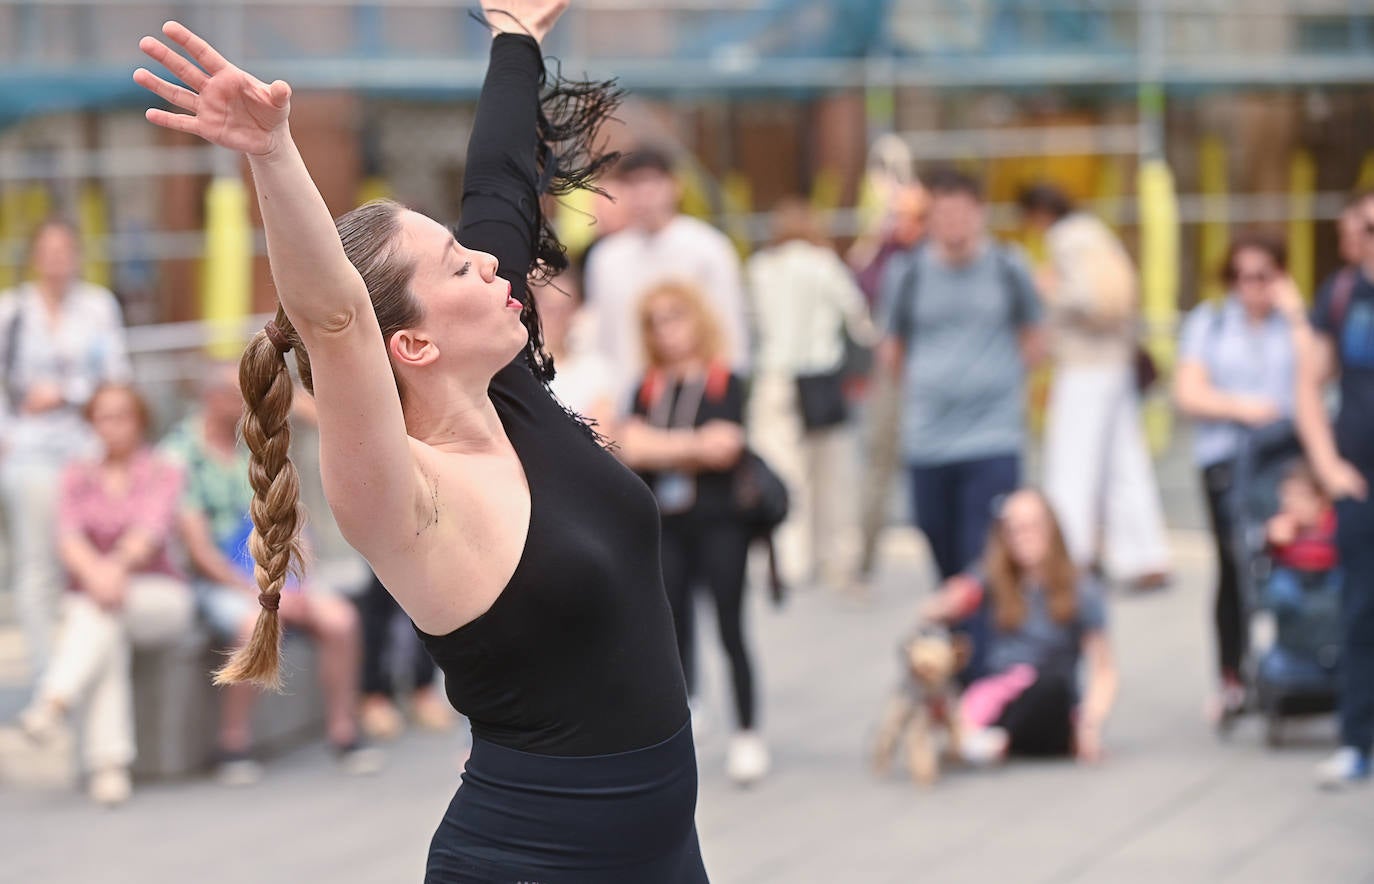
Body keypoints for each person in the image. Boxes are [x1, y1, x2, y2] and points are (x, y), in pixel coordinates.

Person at [134, 6, 709, 880]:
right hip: (530, 861)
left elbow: (499, 185)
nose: (488, 262)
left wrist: (515, 35)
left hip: (664, 850)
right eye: (457, 265)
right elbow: (333, 318)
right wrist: (272, 152)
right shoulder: (402, 496)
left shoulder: (512, 395)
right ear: (410, 345)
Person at [159, 362, 377, 782]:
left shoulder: (257, 443)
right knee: (253, 624)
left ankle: (343, 731)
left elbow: (293, 518)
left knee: (342, 620)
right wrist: (261, 592)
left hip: (276, 573)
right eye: (241, 393)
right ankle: (232, 743)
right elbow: (199, 549)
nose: (249, 402)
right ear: (213, 398)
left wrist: (294, 581)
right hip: (220, 580)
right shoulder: (178, 455)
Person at [876, 168, 1044, 677]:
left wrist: (999, 381)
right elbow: (892, 349)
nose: (952, 223)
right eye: (941, 213)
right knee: (945, 558)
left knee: (983, 557)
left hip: (992, 436)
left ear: (980, 212)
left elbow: (1034, 337)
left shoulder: (1008, 267)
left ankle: (984, 678)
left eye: (961, 211)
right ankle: (956, 664)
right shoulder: (909, 273)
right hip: (929, 440)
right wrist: (932, 387)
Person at [615, 280, 766, 785]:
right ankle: (687, 718)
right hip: (667, 525)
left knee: (730, 625)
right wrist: (693, 445)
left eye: (676, 316)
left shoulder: (726, 381)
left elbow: (727, 446)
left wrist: (664, 446)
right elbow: (630, 448)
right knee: (672, 626)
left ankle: (747, 731)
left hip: (722, 523)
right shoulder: (648, 386)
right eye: (656, 321)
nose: (668, 330)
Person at [16, 383, 192, 806]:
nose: (111, 427)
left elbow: (149, 532)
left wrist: (109, 573)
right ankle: (109, 767)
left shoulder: (163, 468)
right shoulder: (77, 473)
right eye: (102, 418)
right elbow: (68, 537)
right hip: (100, 597)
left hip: (157, 594)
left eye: (121, 416)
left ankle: (53, 699)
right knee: (105, 627)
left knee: (98, 613)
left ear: (140, 420)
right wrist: (99, 577)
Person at [1173, 233, 1306, 726]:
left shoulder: (1292, 325)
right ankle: (1233, 675)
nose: (1252, 288)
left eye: (1264, 276)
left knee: (1292, 560)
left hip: (1286, 463)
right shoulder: (1210, 323)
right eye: (1241, 277)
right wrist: (1243, 409)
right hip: (1229, 459)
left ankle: (1296, 667)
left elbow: (1316, 373)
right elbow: (1188, 391)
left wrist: (1293, 314)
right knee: (1234, 567)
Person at [1019, 183, 1171, 589]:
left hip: (1085, 363)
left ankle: (1071, 555)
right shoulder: (1096, 231)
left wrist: (1048, 291)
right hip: (1115, 361)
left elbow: (1085, 298)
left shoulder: (1065, 238)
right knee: (1126, 461)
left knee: (1072, 460)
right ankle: (1143, 555)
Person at [0, 218, 131, 674]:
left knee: (90, 560)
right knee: (37, 564)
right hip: (31, 451)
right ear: (35, 257)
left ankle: (82, 670)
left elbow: (115, 377)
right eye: (48, 251)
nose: (56, 261)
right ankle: (46, 673)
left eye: (64, 251)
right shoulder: (12, 310)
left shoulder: (97, 307)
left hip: (86, 449)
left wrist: (64, 396)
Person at [921, 489, 1117, 764]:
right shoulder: (995, 576)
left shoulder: (1081, 589)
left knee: (1050, 685)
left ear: (1051, 529)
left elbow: (1103, 669)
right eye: (1014, 529)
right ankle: (984, 736)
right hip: (998, 695)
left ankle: (985, 740)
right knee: (948, 660)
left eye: (1032, 526)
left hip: (1049, 702)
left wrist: (1091, 725)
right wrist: (949, 603)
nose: (1024, 536)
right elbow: (945, 602)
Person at [745, 197, 875, 589]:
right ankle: (833, 555)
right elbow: (860, 321)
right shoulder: (825, 265)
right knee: (831, 474)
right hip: (822, 379)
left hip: (775, 377)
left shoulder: (759, 269)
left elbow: (750, 324)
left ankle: (790, 558)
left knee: (783, 472)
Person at [1296, 189, 1374, 789]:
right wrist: (1328, 467)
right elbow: (1309, 385)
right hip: (1359, 488)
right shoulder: (1343, 296)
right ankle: (1357, 740)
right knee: (1359, 614)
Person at [584, 145, 750, 407]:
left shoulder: (708, 248)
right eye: (633, 185)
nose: (643, 194)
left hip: (696, 396)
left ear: (675, 186)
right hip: (626, 393)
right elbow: (602, 334)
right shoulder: (606, 258)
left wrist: (728, 394)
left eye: (651, 182)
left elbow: (729, 324)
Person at [852, 182, 926, 591]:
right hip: (892, 373)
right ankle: (864, 562)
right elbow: (861, 285)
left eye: (907, 215)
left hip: (928, 372)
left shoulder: (929, 258)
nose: (899, 223)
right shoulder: (885, 256)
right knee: (878, 466)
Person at [532, 268, 615, 431]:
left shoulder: (597, 368)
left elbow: (603, 434)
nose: (556, 317)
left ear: (576, 310)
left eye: (564, 309)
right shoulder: (518, 368)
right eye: (549, 308)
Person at [1264, 460, 1339, 612]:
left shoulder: (1334, 521)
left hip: (1329, 576)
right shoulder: (1282, 524)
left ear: (1321, 499)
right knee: (1280, 587)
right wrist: (1270, 540)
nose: (1291, 503)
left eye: (1299, 496)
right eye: (1286, 496)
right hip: (1295, 579)